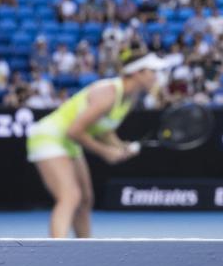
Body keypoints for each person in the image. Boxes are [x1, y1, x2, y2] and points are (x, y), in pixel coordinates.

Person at [26, 53, 168, 238]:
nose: (156, 76)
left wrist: (119, 146)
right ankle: (57, 253)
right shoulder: (107, 93)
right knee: (70, 197)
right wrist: (105, 152)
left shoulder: (130, 97)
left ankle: (85, 252)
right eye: (152, 71)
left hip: (68, 141)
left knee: (85, 199)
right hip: (49, 136)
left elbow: (103, 129)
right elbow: (74, 130)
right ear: (136, 73)